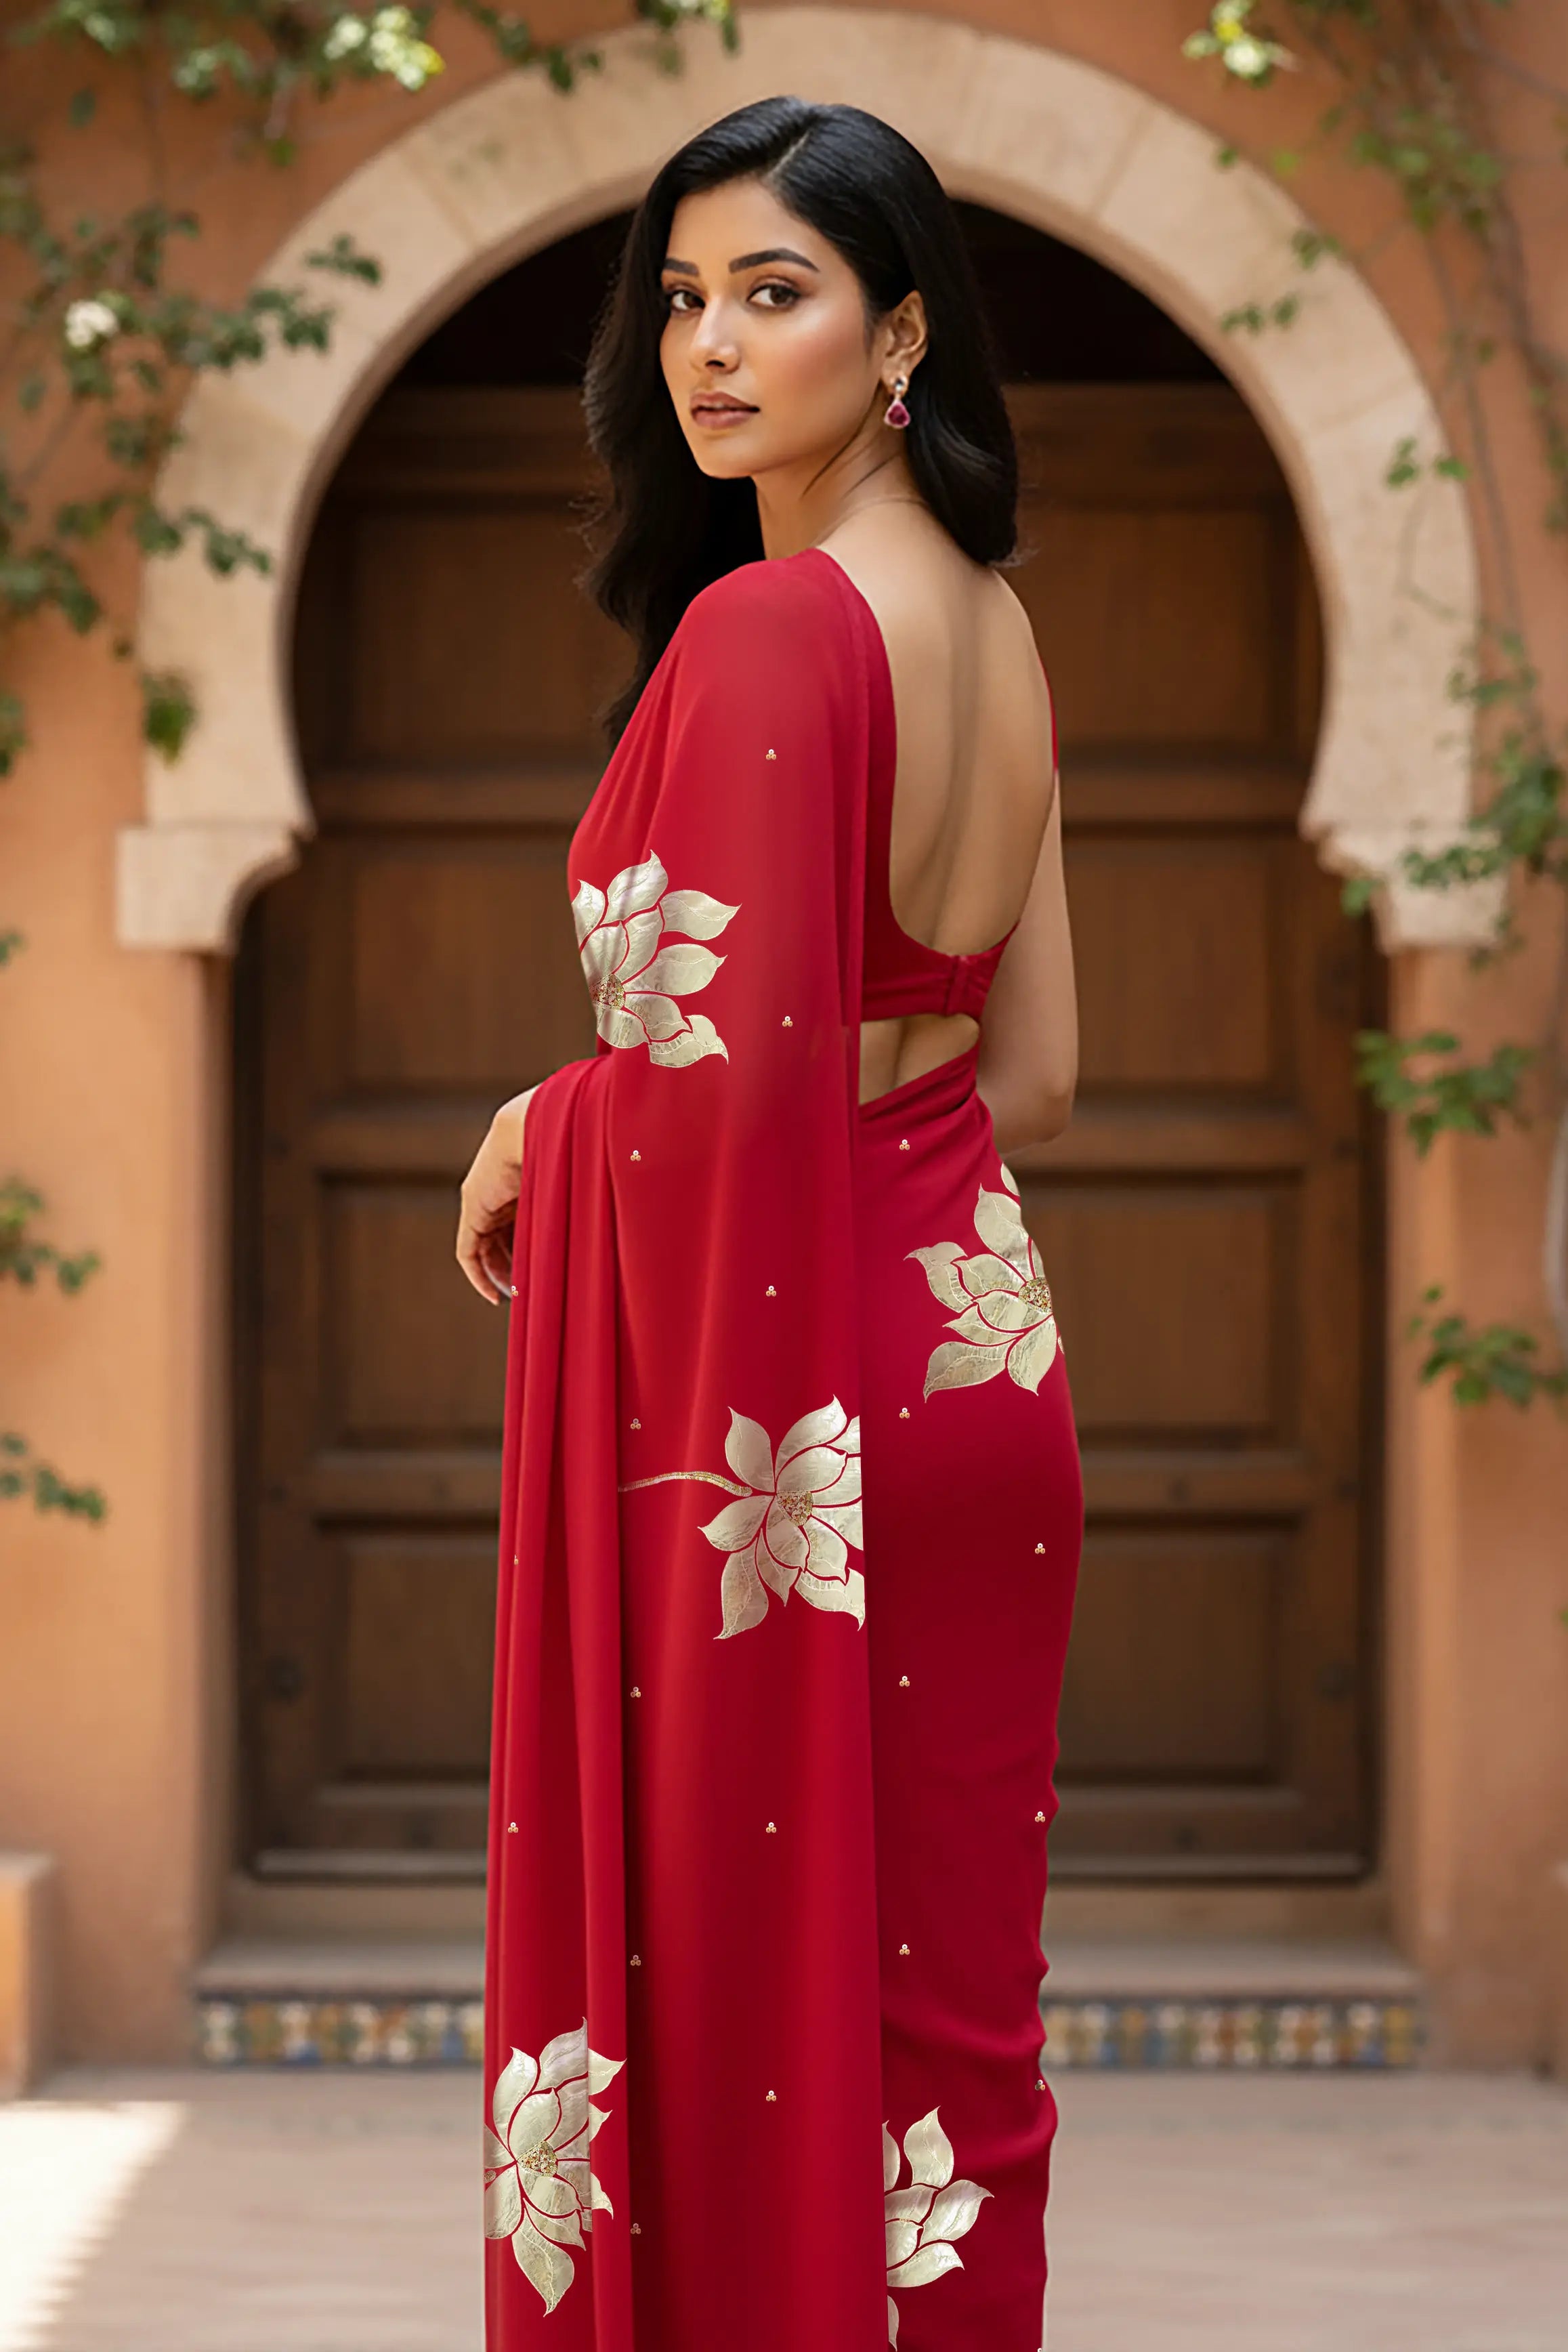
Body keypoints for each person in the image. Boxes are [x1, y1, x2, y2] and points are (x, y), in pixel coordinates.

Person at [454, 95, 1081, 2352]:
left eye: (777, 293)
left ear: (898, 330)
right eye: (684, 297)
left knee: (750, 2027)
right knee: (935, 2065)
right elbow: (1035, 1069)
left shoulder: (774, 630)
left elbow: (723, 1106)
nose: (711, 346)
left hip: (792, 1457)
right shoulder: (992, 629)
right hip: (968, 1380)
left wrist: (555, 1106)